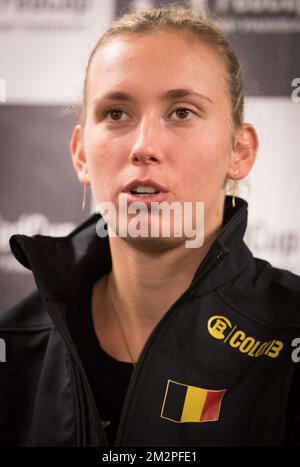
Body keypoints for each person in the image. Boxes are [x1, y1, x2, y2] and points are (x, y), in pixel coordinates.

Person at [1, 5, 300, 447]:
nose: (144, 146)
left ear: (240, 150)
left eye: (181, 112)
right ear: (82, 153)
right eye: (117, 114)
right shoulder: (13, 347)